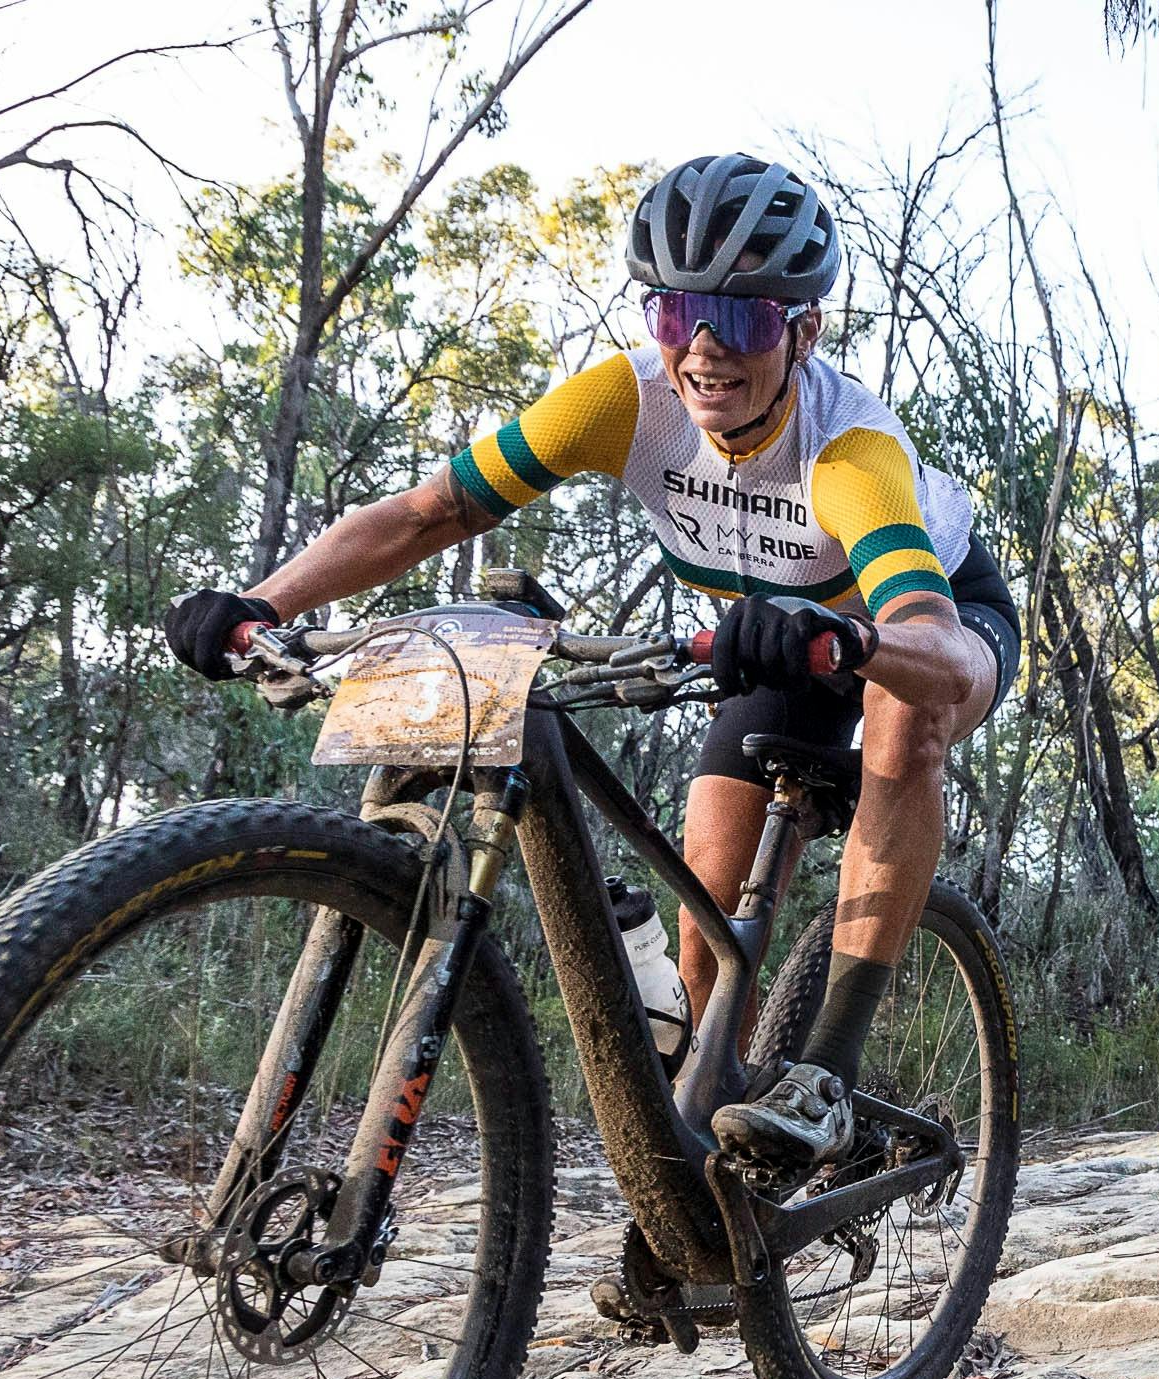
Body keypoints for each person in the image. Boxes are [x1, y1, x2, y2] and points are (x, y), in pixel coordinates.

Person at [163, 154, 1020, 1169]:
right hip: (776, 639)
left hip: (916, 624)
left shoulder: (850, 453)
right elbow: (430, 511)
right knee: (705, 932)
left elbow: (940, 644)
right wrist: (267, 601)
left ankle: (827, 1071)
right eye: (674, 314)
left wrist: (867, 644)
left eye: (741, 322)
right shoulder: (625, 401)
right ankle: (716, 1169)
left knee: (903, 723)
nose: (702, 349)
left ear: (803, 332)